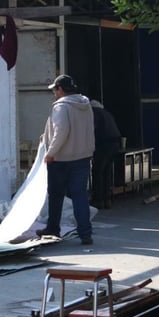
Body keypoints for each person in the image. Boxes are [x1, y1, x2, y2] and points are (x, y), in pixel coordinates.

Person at [37, 74, 95, 245]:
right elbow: (80, 129)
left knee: (56, 195)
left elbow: (62, 130)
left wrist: (51, 152)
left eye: (55, 90)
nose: (54, 93)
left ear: (60, 89)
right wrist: (46, 136)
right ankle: (85, 233)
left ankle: (53, 228)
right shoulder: (85, 104)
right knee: (80, 196)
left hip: (61, 159)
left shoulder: (61, 107)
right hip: (82, 156)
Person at [90, 99, 122, 210]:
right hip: (115, 144)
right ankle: (107, 199)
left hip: (103, 145)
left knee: (97, 172)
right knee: (107, 172)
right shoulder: (106, 113)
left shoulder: (94, 113)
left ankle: (98, 200)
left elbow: (92, 130)